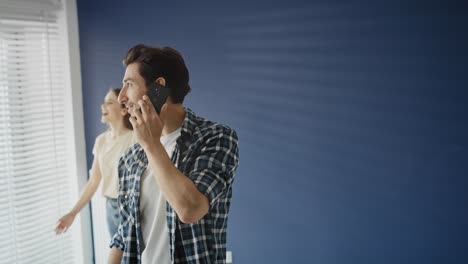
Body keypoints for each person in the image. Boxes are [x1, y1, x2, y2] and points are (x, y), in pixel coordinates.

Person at [108, 44, 239, 264]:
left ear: (158, 89)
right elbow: (124, 235)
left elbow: (190, 209)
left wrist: (152, 145)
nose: (121, 97)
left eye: (129, 85)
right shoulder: (129, 159)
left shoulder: (216, 138)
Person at [55, 88, 135, 238]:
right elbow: (93, 182)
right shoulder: (101, 141)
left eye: (109, 102)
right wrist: (72, 213)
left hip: (131, 207)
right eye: (103, 102)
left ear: (124, 110)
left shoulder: (135, 138)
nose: (103, 106)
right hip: (111, 208)